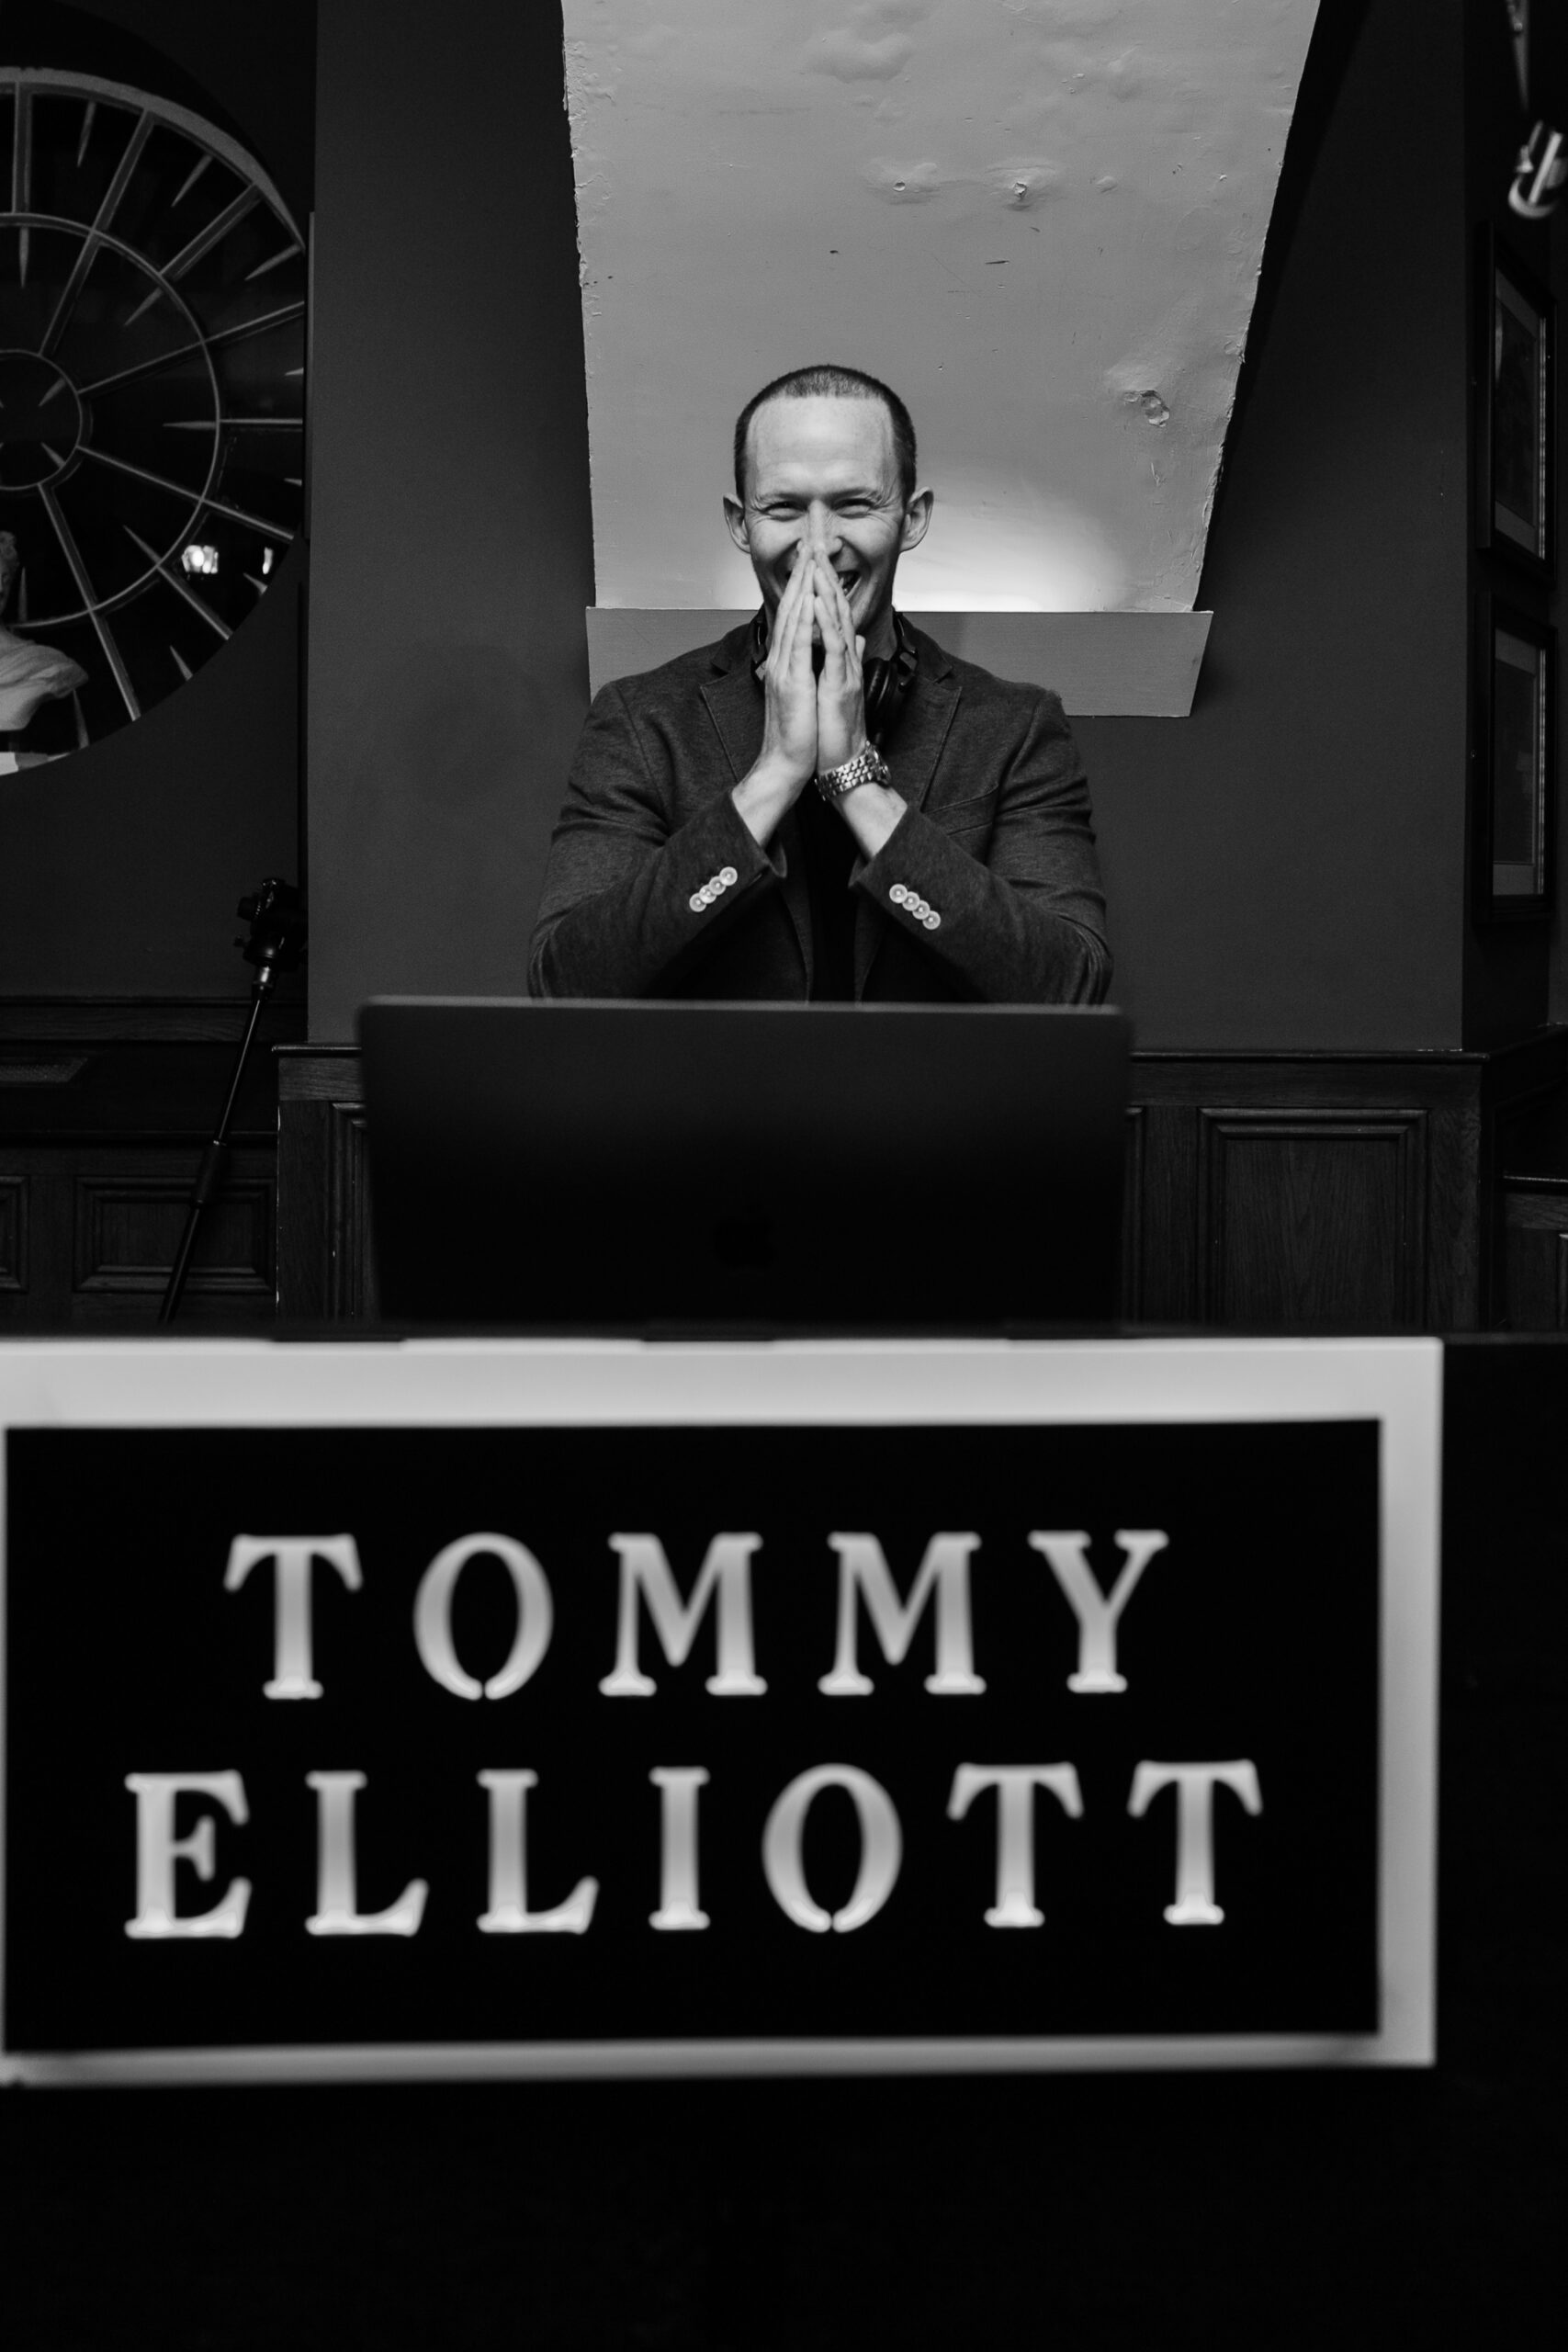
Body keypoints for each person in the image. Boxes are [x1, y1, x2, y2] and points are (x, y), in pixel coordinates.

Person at [528, 365, 1111, 1003]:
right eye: (782, 508)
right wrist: (773, 774)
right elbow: (566, 981)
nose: (818, 545)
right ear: (739, 523)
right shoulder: (640, 721)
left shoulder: (1015, 727)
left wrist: (856, 781)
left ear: (912, 518)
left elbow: (1067, 986)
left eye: (854, 504)